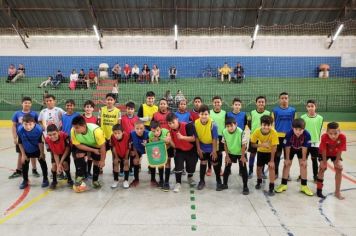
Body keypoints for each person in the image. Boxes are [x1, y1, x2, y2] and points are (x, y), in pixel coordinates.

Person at [275, 119, 314, 196]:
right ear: (293, 128)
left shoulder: (307, 135)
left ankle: (304, 186)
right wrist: (287, 159)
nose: (298, 132)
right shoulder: (289, 133)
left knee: (303, 165)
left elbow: (305, 148)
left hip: (301, 149)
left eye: (300, 130)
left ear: (304, 129)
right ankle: (283, 184)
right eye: (296, 129)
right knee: (287, 165)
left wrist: (304, 160)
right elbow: (287, 147)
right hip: (290, 149)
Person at [71, 116, 106, 189]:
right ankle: (80, 175)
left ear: (84, 126)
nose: (75, 129)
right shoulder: (73, 131)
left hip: (96, 145)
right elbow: (78, 145)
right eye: (74, 127)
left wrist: (102, 160)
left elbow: (102, 146)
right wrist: (92, 150)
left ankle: (95, 180)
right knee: (78, 155)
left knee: (96, 161)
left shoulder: (96, 131)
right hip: (83, 144)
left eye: (77, 127)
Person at [9, 97, 40, 179]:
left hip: (32, 138)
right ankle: (19, 170)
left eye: (29, 103)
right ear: (22, 103)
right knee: (21, 154)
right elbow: (14, 126)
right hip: (21, 138)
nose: (27, 104)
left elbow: (37, 125)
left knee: (33, 154)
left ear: (31, 104)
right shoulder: (17, 113)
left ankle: (34, 170)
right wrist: (15, 137)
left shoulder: (34, 114)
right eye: (25, 102)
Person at [166, 113, 197, 192]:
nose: (172, 125)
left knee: (191, 167)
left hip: (191, 149)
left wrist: (182, 137)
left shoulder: (187, 126)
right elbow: (174, 146)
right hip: (180, 150)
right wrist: (170, 141)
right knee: (178, 167)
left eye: (173, 122)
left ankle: (190, 177)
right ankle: (178, 183)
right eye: (169, 123)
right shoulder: (170, 131)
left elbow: (194, 139)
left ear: (177, 120)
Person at [17, 114, 49, 189]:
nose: (28, 127)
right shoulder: (20, 130)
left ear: (34, 123)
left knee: (42, 161)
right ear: (22, 123)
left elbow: (40, 142)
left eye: (30, 124)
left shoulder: (38, 130)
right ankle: (25, 180)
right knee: (24, 163)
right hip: (27, 149)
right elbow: (20, 142)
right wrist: (23, 154)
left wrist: (42, 153)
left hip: (37, 149)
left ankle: (45, 179)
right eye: (25, 124)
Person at [316, 122, 347, 200]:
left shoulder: (343, 137)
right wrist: (324, 163)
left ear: (339, 131)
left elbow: (340, 150)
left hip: (335, 153)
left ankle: (337, 192)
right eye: (330, 134)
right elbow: (323, 150)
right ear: (327, 132)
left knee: (339, 168)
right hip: (324, 153)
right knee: (322, 168)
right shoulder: (324, 137)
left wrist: (336, 162)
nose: (333, 136)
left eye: (335, 133)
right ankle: (319, 190)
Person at [250, 115, 279, 196]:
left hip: (271, 152)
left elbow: (274, 147)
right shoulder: (257, 131)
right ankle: (259, 181)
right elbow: (252, 144)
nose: (266, 127)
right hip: (261, 152)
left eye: (268, 125)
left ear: (271, 125)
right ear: (261, 124)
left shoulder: (274, 132)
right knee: (259, 168)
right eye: (264, 125)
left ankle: (271, 186)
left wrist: (272, 160)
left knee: (271, 168)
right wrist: (262, 145)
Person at [195, 104, 220, 190]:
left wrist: (214, 151)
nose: (204, 116)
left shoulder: (213, 124)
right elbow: (196, 137)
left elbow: (215, 138)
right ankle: (202, 181)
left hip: (212, 145)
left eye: (206, 114)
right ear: (199, 115)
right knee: (203, 162)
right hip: (202, 146)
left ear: (209, 115)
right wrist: (198, 149)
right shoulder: (196, 123)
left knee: (215, 163)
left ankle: (218, 180)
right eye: (202, 114)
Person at [222, 117, 249, 195]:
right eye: (227, 126)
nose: (230, 128)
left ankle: (245, 187)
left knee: (243, 169)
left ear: (236, 124)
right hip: (231, 152)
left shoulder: (241, 132)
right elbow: (225, 144)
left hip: (241, 153)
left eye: (231, 126)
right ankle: (225, 184)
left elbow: (244, 145)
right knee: (227, 168)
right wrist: (227, 156)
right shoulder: (224, 131)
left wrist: (243, 156)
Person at [272, 92, 296, 178]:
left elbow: (295, 124)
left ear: (288, 99)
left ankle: (287, 173)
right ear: (279, 99)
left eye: (286, 98)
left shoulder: (293, 110)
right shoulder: (275, 110)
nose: (284, 100)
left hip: (289, 137)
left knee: (287, 157)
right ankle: (275, 173)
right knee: (277, 156)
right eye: (282, 98)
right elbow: (272, 124)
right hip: (278, 137)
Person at [247, 96, 271, 178]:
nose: (261, 103)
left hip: (264, 138)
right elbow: (249, 123)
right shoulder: (252, 112)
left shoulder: (268, 113)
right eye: (259, 102)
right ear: (256, 103)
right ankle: (250, 171)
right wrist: (254, 132)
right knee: (252, 154)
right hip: (254, 137)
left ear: (265, 103)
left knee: (263, 155)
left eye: (262, 102)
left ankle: (262, 172)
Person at [98, 93, 121, 175]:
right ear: (105, 100)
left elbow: (118, 124)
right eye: (108, 99)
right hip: (103, 136)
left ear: (114, 101)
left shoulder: (118, 111)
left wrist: (116, 135)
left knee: (115, 154)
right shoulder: (102, 109)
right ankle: (100, 168)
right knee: (101, 153)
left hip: (113, 136)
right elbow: (99, 121)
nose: (109, 101)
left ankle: (115, 169)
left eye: (111, 100)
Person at [301, 100, 323, 182]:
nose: (310, 108)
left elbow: (319, 130)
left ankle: (315, 176)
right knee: (303, 160)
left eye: (312, 106)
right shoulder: (303, 117)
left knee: (314, 160)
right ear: (306, 107)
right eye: (309, 106)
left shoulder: (320, 118)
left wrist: (318, 140)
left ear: (315, 107)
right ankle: (302, 174)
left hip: (315, 143)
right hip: (304, 142)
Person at [45, 124, 73, 189]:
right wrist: (58, 165)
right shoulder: (47, 140)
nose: (52, 136)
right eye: (50, 135)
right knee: (54, 165)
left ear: (58, 132)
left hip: (65, 152)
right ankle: (54, 181)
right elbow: (55, 153)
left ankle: (69, 179)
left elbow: (67, 149)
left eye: (54, 134)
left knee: (65, 164)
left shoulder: (65, 136)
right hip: (56, 153)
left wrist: (60, 163)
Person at [148, 121, 172, 191]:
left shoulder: (166, 132)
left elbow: (168, 142)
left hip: (168, 148)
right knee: (160, 163)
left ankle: (166, 182)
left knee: (167, 163)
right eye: (153, 131)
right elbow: (151, 145)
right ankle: (161, 180)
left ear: (161, 128)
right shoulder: (150, 134)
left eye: (157, 130)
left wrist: (159, 139)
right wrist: (152, 141)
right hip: (159, 149)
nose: (156, 133)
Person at [209, 96, 226, 177]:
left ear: (221, 103)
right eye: (215, 102)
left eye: (218, 102)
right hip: (211, 136)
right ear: (213, 103)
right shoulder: (209, 113)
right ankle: (209, 168)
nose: (217, 104)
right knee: (210, 152)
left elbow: (226, 125)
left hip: (220, 136)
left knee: (219, 153)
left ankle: (220, 168)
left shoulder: (224, 113)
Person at [121, 101, 139, 176]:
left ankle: (131, 168)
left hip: (133, 140)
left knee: (132, 154)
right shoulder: (122, 118)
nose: (130, 110)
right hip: (124, 140)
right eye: (128, 109)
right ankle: (122, 169)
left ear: (134, 110)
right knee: (124, 155)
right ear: (126, 109)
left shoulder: (136, 118)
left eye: (131, 109)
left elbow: (138, 129)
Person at [129, 120, 149, 187]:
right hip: (137, 148)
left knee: (152, 161)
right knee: (135, 161)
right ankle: (136, 179)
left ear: (144, 128)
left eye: (141, 128)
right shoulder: (132, 134)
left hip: (147, 148)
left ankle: (153, 179)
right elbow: (133, 145)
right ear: (134, 128)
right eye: (137, 128)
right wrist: (137, 156)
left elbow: (152, 143)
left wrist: (148, 144)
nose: (139, 130)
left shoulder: (148, 133)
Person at [111, 124, 130, 189]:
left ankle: (126, 180)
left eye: (119, 133)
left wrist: (126, 158)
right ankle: (116, 180)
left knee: (126, 164)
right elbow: (113, 147)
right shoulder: (112, 137)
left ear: (122, 132)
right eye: (115, 133)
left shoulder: (126, 136)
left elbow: (128, 148)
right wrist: (116, 157)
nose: (117, 135)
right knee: (115, 163)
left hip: (125, 152)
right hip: (117, 152)